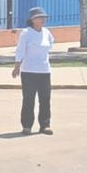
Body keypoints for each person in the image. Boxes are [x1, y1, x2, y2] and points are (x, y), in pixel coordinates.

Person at [11, 7, 54, 135]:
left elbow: (51, 43)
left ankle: (45, 125)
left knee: (45, 99)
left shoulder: (47, 32)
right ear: (32, 20)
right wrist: (17, 66)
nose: (43, 20)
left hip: (44, 71)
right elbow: (20, 50)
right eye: (40, 17)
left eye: (44, 17)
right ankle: (27, 125)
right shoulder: (26, 33)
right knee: (29, 99)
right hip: (29, 71)